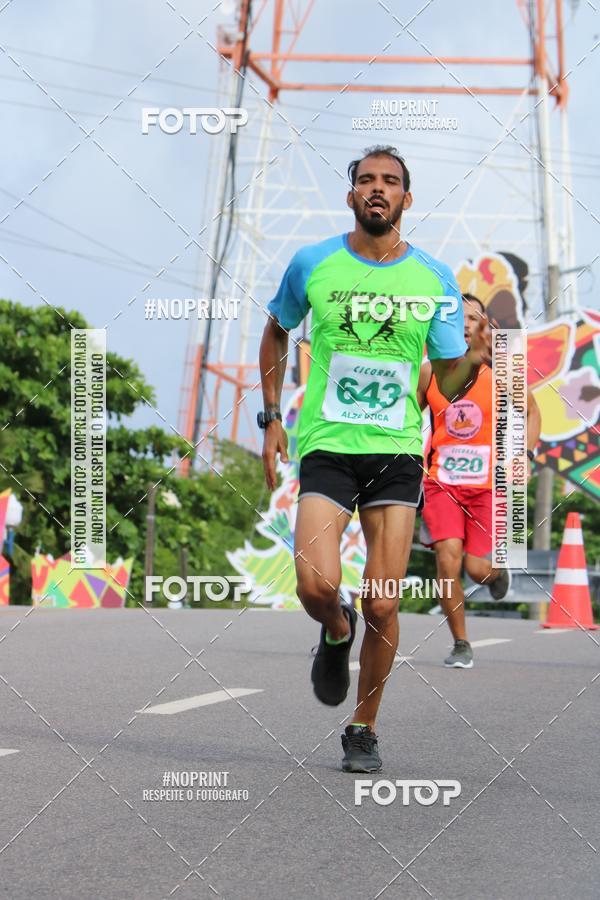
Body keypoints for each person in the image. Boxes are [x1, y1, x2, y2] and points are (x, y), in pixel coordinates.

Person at [258, 145, 492, 773]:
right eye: (367, 181)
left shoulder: (435, 278)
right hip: (328, 445)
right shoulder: (314, 263)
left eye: (390, 182)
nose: (378, 190)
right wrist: (272, 418)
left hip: (395, 453)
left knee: (384, 600)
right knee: (316, 583)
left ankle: (363, 727)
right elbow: (277, 329)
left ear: (407, 200)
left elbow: (445, 369)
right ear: (352, 195)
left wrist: (476, 357)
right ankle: (337, 631)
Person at [418, 293, 542, 668]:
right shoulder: (429, 371)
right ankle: (460, 642)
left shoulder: (501, 372)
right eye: (460, 318)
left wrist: (527, 453)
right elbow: (407, 417)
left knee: (476, 568)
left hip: (488, 486)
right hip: (441, 482)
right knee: (447, 558)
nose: (467, 324)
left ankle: (496, 573)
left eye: (475, 318)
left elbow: (533, 413)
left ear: (485, 327)